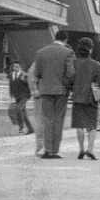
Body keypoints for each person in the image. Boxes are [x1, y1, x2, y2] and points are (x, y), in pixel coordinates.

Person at [33, 30, 75, 159]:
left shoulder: (41, 52)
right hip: (61, 91)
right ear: (65, 40)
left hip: (45, 90)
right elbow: (71, 73)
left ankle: (47, 149)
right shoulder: (68, 53)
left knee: (47, 119)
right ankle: (54, 151)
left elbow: (37, 73)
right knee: (58, 120)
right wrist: (67, 85)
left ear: (55, 38)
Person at [70, 37, 100, 160]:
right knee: (92, 125)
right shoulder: (97, 65)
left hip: (77, 97)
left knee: (79, 125)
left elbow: (69, 80)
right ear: (90, 50)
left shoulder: (73, 63)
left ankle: (81, 149)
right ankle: (90, 149)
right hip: (91, 98)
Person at [8, 61, 33, 134]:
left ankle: (21, 128)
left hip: (24, 96)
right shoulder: (11, 75)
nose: (15, 68)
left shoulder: (24, 75)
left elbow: (29, 84)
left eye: (17, 66)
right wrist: (11, 95)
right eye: (14, 66)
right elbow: (11, 86)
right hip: (16, 96)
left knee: (18, 109)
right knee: (23, 113)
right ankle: (30, 129)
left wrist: (24, 80)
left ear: (20, 67)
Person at [27, 61, 44, 156]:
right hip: (41, 95)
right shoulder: (38, 62)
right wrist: (34, 90)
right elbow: (31, 76)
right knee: (40, 121)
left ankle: (46, 147)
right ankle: (40, 147)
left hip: (50, 95)